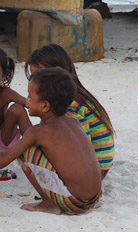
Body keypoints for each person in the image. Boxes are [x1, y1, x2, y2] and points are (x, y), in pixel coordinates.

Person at [0, 67, 102, 214]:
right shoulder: (73, 121)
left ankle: (48, 203)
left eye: (30, 97)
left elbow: (0, 161)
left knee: (25, 150)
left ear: (45, 106)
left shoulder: (38, 131)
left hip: (74, 202)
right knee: (30, 142)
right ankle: (52, 199)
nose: (26, 100)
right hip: (95, 197)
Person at [25, 44, 115, 180]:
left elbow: (80, 147)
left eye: (41, 74)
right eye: (34, 76)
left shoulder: (69, 105)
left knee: (30, 151)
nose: (37, 81)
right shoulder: (74, 95)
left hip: (94, 171)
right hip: (99, 166)